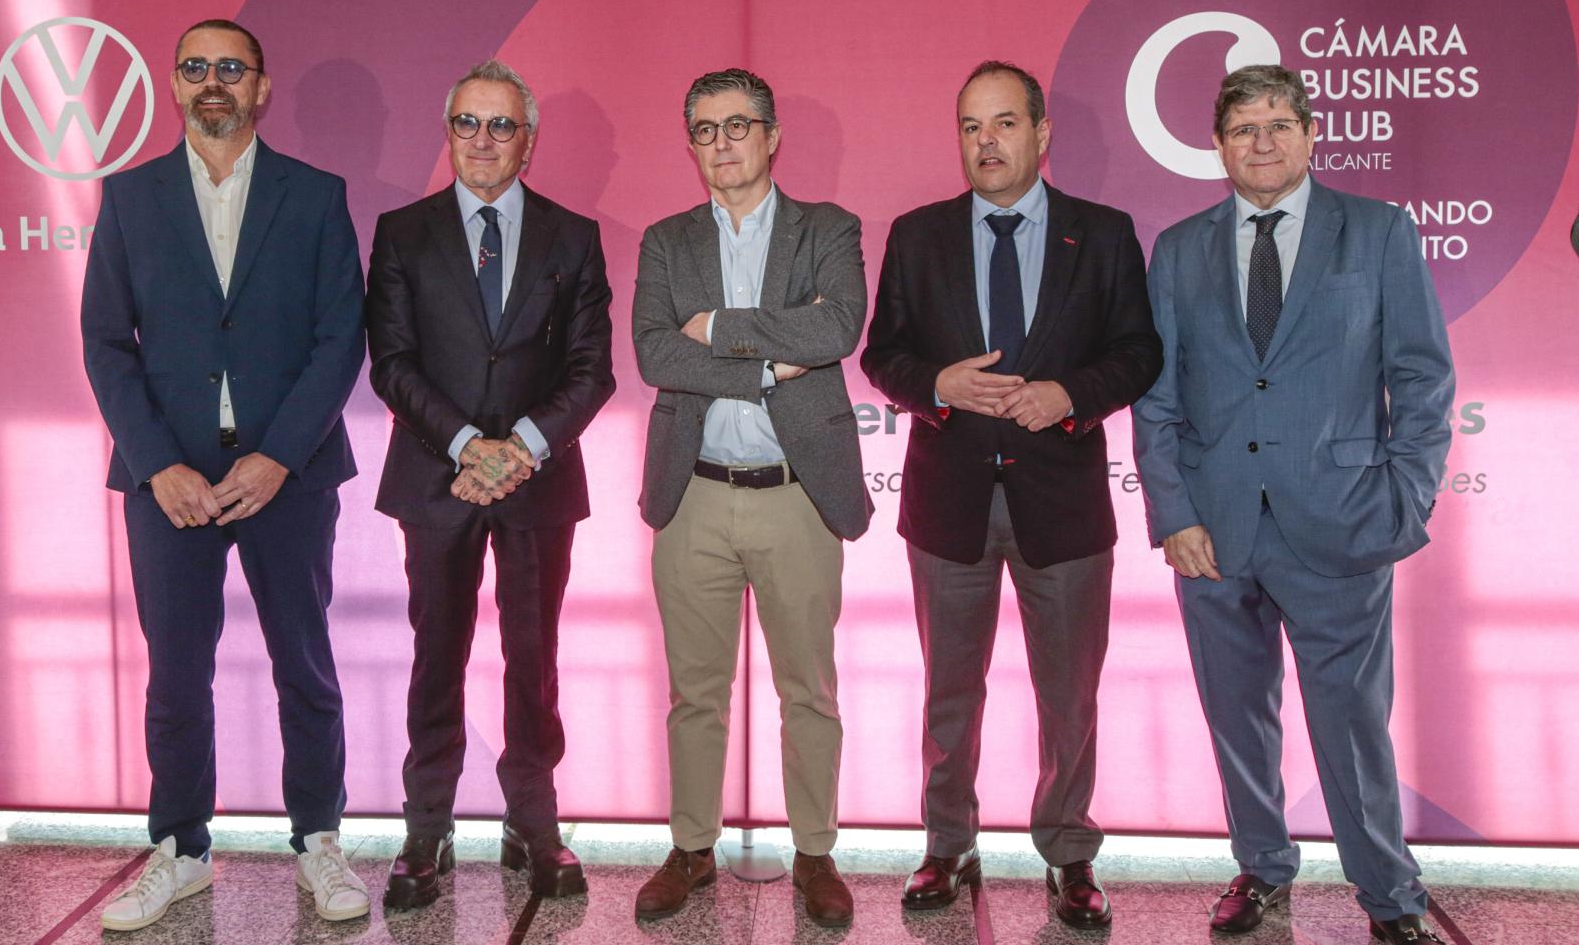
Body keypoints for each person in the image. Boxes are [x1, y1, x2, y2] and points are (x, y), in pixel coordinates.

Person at [1131, 64, 1455, 944]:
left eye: (1279, 124)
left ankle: (1390, 895)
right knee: (1237, 717)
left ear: (1312, 134)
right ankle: (1263, 867)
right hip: (1214, 531)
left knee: (1352, 724)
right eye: (1243, 129)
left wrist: (1405, 497)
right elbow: (1156, 397)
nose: (1263, 142)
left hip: (1344, 522)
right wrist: (1174, 515)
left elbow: (1422, 377)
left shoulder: (1379, 231)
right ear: (1218, 146)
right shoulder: (1179, 249)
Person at [82, 18, 369, 931]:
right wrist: (157, 463)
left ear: (261, 87)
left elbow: (340, 337)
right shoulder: (128, 198)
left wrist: (280, 455)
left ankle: (319, 840)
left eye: (232, 68)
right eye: (196, 67)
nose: (214, 81)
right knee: (176, 674)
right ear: (173, 85)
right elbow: (105, 343)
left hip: (287, 469)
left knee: (305, 664)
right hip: (169, 477)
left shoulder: (315, 195)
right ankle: (181, 851)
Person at [860, 60, 1161, 929]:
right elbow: (883, 355)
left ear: (1041, 133)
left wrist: (1070, 395)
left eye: (1003, 123)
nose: (985, 142)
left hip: (1062, 505)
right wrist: (939, 385)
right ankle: (947, 844)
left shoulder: (1102, 234)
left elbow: (1139, 351)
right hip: (947, 503)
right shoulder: (918, 235)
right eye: (970, 127)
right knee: (949, 692)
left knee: (1069, 695)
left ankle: (1068, 853)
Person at [364, 59, 615, 907]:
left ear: (528, 140)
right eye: (468, 122)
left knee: (533, 658)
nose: (483, 139)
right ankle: (426, 826)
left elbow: (592, 369)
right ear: (448, 133)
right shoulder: (403, 232)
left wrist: (520, 449)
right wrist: (471, 446)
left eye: (501, 124)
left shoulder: (572, 235)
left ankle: (532, 822)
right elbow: (392, 363)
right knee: (436, 655)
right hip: (436, 475)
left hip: (539, 481)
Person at [630, 67, 870, 928]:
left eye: (738, 126)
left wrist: (721, 330)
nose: (722, 143)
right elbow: (656, 352)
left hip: (796, 495)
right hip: (692, 493)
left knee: (808, 690)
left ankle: (815, 852)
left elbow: (836, 327)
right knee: (695, 692)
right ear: (691, 144)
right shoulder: (666, 241)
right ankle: (691, 847)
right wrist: (769, 366)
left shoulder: (828, 228)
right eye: (705, 129)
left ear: (771, 137)